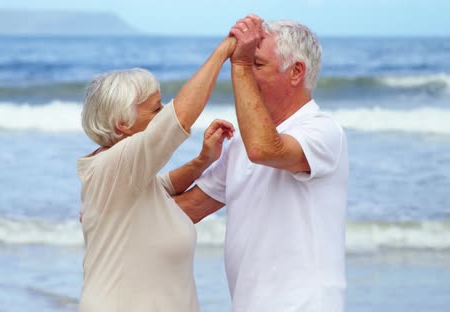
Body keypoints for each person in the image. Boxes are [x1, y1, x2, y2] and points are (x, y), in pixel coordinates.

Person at [175, 15, 349, 312]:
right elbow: (188, 209)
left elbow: (264, 149)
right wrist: (116, 212)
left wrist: (240, 65)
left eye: (258, 65)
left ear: (296, 72)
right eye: (249, 64)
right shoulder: (242, 142)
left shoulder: (323, 131)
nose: (247, 73)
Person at [77, 36, 236, 311]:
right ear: (122, 124)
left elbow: (164, 186)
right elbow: (177, 120)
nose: (162, 113)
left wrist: (203, 160)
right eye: (155, 109)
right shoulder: (115, 165)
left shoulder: (123, 174)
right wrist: (224, 52)